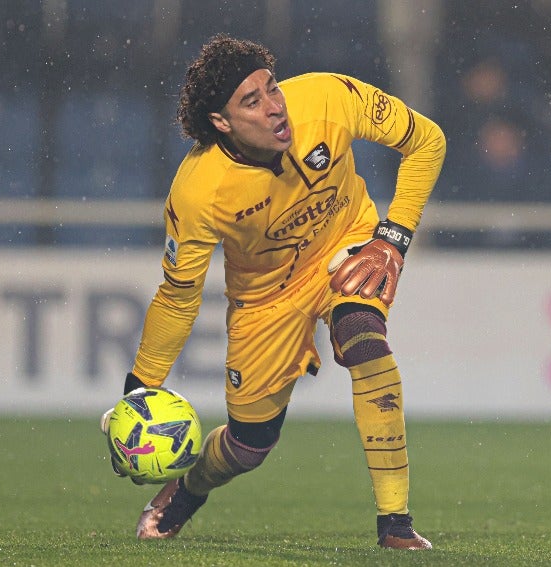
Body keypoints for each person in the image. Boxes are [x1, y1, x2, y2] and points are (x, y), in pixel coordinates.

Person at [101, 34, 445, 550]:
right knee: (249, 444)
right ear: (222, 123)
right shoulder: (198, 191)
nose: (274, 108)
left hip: (349, 243)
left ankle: (394, 522)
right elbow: (178, 295)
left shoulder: (329, 97)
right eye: (251, 101)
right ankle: (189, 489)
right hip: (265, 299)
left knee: (364, 335)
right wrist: (137, 390)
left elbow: (429, 140)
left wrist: (391, 240)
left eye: (271, 88)